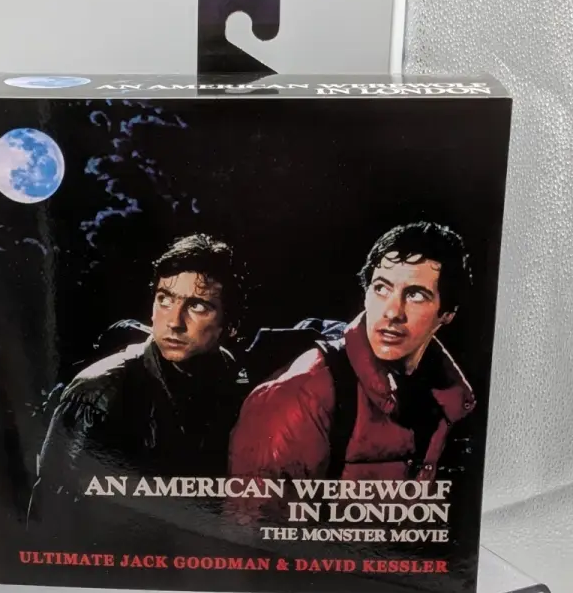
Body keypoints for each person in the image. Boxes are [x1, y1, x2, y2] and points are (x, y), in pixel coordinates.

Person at [227, 222, 476, 520]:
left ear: (447, 313)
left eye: (416, 295)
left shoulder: (454, 401)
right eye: (381, 288)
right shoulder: (301, 393)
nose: (392, 312)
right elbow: (253, 535)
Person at [29, 234, 245, 517]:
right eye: (165, 299)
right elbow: (50, 516)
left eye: (197, 306)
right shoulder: (98, 394)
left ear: (231, 324)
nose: (174, 322)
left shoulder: (232, 377)